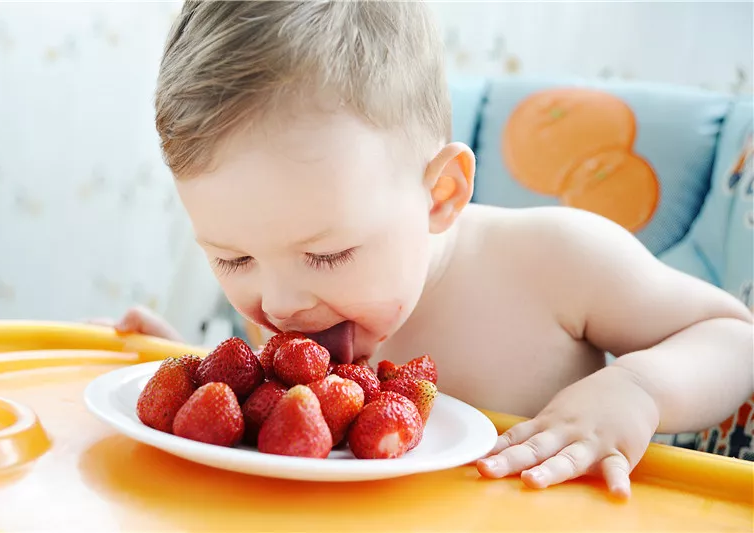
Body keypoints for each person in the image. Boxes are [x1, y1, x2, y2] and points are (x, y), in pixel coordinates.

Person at [102, 1, 753, 498]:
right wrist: (194, 384)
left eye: (326, 255)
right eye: (233, 259)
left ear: (441, 194)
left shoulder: (553, 261)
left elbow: (732, 336)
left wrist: (637, 388)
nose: (276, 304)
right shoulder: (296, 301)